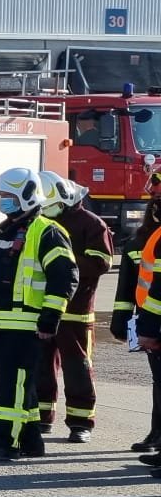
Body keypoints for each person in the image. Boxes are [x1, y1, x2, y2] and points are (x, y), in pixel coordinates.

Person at [0, 168, 76, 461]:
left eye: (7, 196)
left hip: (27, 322)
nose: (2, 201)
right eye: (2, 196)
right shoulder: (5, 230)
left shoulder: (48, 231)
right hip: (2, 321)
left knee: (13, 384)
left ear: (26, 196)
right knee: (17, 383)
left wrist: (50, 318)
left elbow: (64, 278)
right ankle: (31, 441)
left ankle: (6, 441)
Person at [37, 171, 112, 442]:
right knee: (41, 365)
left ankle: (81, 423)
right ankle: (42, 417)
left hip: (76, 311)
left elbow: (101, 262)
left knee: (77, 367)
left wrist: (64, 263)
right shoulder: (42, 220)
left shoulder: (91, 223)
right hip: (44, 308)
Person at [111, 171, 161, 453]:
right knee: (158, 382)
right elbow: (127, 288)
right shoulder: (139, 242)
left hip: (153, 322)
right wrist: (122, 321)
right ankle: (157, 434)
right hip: (149, 321)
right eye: (153, 201)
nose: (155, 206)